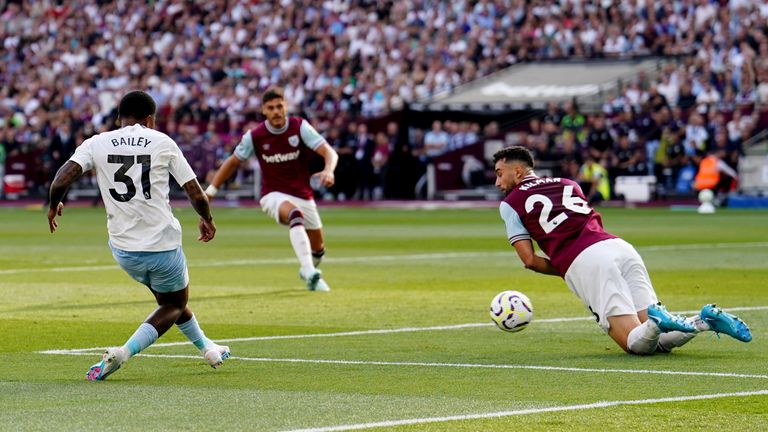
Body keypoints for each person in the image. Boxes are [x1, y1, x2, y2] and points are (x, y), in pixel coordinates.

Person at [493, 146, 751, 355]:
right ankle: (702, 321)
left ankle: (657, 320)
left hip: (586, 260)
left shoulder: (511, 203)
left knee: (633, 343)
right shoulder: (569, 182)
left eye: (499, 173)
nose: (497, 181)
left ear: (517, 171)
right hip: (618, 247)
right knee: (656, 342)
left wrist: (568, 269)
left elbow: (529, 260)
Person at [47, 91, 230, 381]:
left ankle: (207, 347)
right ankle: (123, 352)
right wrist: (206, 218)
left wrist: (54, 203)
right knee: (173, 304)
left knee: (168, 300)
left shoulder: (97, 142)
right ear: (150, 119)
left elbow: (61, 178)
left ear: (120, 118)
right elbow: (194, 191)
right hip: (162, 245)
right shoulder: (162, 142)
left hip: (123, 250)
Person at [205, 87, 338, 292]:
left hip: (303, 194)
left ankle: (308, 269)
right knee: (295, 215)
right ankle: (310, 271)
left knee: (318, 250)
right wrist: (211, 191)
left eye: (279, 106)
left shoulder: (300, 127)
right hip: (272, 195)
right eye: (271, 108)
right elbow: (232, 162)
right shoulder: (255, 136)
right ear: (264, 111)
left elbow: (329, 152)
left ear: (286, 107)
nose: (276, 111)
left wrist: (328, 170)